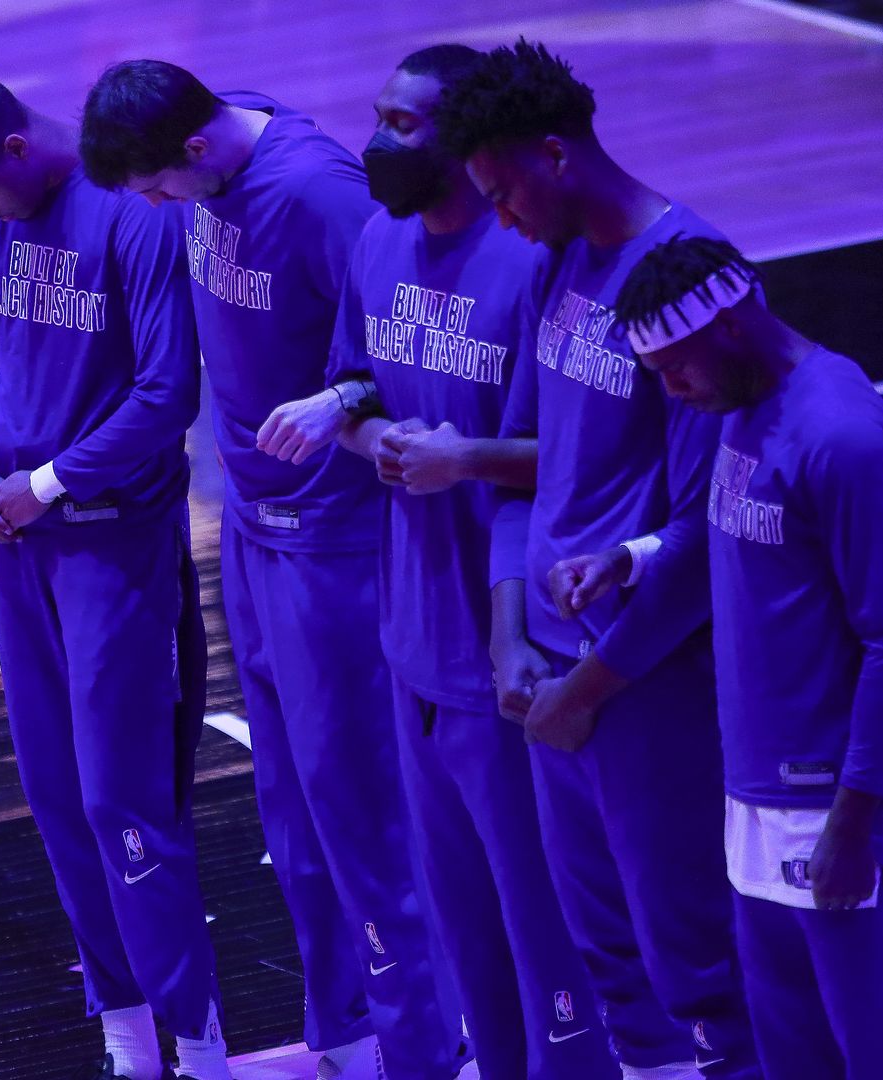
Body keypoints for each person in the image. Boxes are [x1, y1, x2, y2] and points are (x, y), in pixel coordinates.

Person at [263, 43, 654, 1080]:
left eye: (403, 125)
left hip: (514, 649)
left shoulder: (537, 259)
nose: (378, 141)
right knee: (465, 935)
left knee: (550, 942)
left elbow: (576, 453)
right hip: (415, 641)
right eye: (377, 117)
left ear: (469, 141)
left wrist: (457, 459)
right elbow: (356, 384)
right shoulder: (380, 242)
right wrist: (361, 429)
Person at [74, 57, 461, 1080]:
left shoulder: (318, 191)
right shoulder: (216, 146)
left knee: (361, 804)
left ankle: (427, 1042)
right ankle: (343, 1029)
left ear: (197, 148)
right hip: (252, 520)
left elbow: (406, 330)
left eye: (159, 188)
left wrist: (342, 404)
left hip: (335, 537)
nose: (157, 209)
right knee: (289, 808)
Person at [555, 234, 883, 1079]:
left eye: (675, 367)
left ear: (733, 324)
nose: (671, 390)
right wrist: (629, 559)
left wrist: (853, 828)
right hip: (761, 803)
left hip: (860, 818)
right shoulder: (738, 408)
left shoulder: (843, 438)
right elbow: (726, 541)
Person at [431, 39, 758, 1078]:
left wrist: (588, 685)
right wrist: (508, 636)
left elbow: (711, 539)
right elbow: (527, 474)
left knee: (700, 964)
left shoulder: (693, 282)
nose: (502, 218)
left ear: (557, 154)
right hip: (552, 671)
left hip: (647, 680)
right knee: (612, 964)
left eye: (503, 190)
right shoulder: (556, 264)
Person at [0, 75, 228, 1080]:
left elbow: (169, 393)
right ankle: (128, 1044)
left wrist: (37, 482)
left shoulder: (131, 213)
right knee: (56, 799)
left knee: (127, 805)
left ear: (14, 145)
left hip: (114, 547)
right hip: (23, 547)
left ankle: (201, 1046)